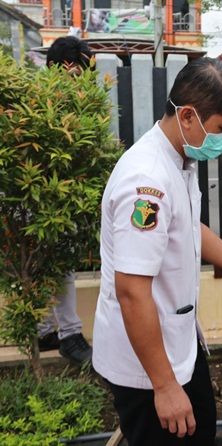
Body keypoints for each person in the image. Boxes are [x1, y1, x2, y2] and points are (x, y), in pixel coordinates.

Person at [92, 57, 222, 446]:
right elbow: (131, 291)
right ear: (187, 116)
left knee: (202, 431)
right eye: (221, 129)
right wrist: (164, 387)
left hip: (177, 343)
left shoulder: (178, 158)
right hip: (148, 368)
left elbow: (189, 227)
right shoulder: (145, 181)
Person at [37, 35, 95, 364]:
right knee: (59, 267)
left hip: (57, 198)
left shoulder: (54, 97)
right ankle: (69, 334)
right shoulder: (49, 101)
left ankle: (46, 329)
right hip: (46, 199)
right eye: (84, 68)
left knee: (51, 266)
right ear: (70, 67)